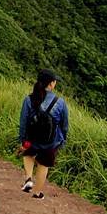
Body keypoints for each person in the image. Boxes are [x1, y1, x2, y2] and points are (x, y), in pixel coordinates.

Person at [18, 69, 69, 199]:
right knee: (43, 164)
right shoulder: (60, 102)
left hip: (31, 138)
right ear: (51, 84)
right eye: (55, 81)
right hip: (50, 141)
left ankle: (29, 178)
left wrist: (23, 140)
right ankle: (36, 193)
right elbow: (64, 125)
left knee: (28, 153)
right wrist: (62, 141)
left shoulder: (29, 99)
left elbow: (23, 122)